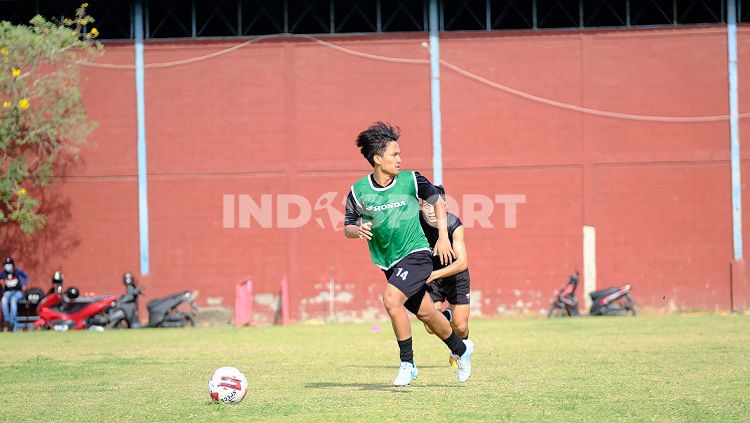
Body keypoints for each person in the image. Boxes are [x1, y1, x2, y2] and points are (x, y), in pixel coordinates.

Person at [344, 121, 474, 386]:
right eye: (394, 155)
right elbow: (347, 225)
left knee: (391, 299)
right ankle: (462, 350)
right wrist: (357, 230)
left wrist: (441, 238)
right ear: (378, 159)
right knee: (427, 314)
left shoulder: (411, 179)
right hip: (388, 261)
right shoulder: (359, 191)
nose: (400, 159)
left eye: (400, 154)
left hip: (416, 255)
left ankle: (408, 364)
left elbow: (438, 202)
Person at [419, 185, 472, 368]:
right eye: (427, 205)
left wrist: (434, 274)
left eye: (436, 205)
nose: (432, 210)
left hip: (455, 275)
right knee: (429, 326)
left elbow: (462, 263)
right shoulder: (416, 222)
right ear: (421, 205)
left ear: (446, 206)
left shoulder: (454, 225)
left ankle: (461, 350)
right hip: (432, 277)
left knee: (461, 326)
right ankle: (446, 314)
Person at [1, 257, 29, 331]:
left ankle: (12, 322)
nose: (7, 266)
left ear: (12, 265)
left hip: (17, 292)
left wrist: (24, 284)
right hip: (7, 292)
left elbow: (26, 276)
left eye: (9, 264)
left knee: (13, 300)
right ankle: (7, 320)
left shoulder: (17, 271)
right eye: (6, 264)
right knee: (4, 300)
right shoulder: (4, 273)